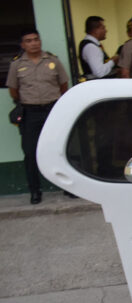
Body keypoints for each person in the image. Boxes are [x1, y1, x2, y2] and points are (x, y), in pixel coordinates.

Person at [6, 29, 68, 204]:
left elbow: (63, 84)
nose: (33, 43)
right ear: (23, 45)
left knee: (59, 149)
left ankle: (67, 187)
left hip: (52, 111)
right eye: (28, 40)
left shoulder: (53, 61)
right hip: (30, 112)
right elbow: (13, 90)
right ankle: (35, 191)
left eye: (36, 39)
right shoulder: (17, 65)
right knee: (30, 152)